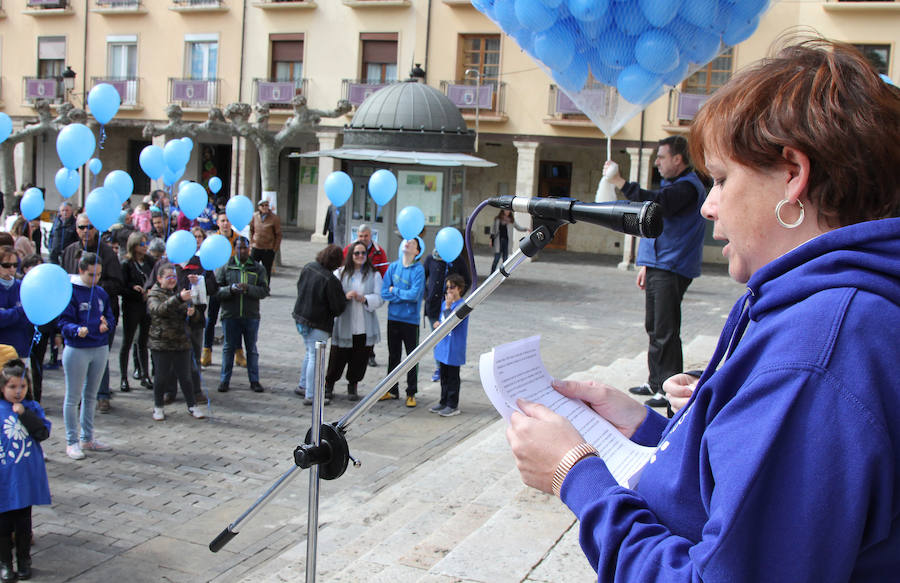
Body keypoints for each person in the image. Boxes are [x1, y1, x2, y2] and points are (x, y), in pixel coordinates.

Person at [505, 40, 900, 581]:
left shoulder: (817, 356)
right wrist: (648, 429)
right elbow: (737, 492)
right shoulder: (824, 312)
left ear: (792, 176)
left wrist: (575, 474)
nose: (708, 204)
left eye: (720, 179)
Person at [605, 135, 708, 409]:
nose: (657, 163)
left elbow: (654, 203)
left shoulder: (686, 188)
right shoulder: (675, 185)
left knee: (666, 329)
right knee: (654, 326)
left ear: (678, 158)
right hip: (659, 265)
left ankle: (669, 387)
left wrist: (620, 183)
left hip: (672, 267)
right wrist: (646, 264)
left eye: (661, 157)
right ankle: (656, 381)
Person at [62, 214, 123, 414]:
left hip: (101, 313)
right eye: (81, 227)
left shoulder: (106, 252)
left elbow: (117, 283)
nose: (86, 231)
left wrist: (92, 285)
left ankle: (102, 394)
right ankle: (77, 396)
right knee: (78, 358)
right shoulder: (70, 251)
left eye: (89, 227)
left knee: (100, 355)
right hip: (75, 316)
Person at [58, 252, 115, 460]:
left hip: (99, 347)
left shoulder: (101, 293)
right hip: (77, 349)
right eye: (92, 274)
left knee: (91, 395)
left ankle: (87, 437)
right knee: (73, 397)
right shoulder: (71, 292)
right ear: (81, 271)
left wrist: (106, 325)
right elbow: (63, 322)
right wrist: (76, 329)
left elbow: (109, 316)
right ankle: (71, 441)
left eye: (99, 274)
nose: (96, 279)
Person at [0, 359, 50, 582]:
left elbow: (42, 433)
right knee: (3, 525)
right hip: (3, 478)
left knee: (23, 523)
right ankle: (4, 562)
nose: (18, 392)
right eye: (12, 387)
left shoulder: (32, 408)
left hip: (24, 478)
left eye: (22, 386)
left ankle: (24, 560)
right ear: (2, 387)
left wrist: (24, 414)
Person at [146, 263, 206, 421]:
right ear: (159, 279)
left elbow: (197, 317)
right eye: (168, 277)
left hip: (181, 341)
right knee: (161, 377)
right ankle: (158, 407)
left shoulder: (181, 293)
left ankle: (192, 405)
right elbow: (159, 310)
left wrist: (193, 313)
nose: (172, 280)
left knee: (186, 377)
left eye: (174, 277)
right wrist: (178, 298)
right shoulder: (154, 294)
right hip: (161, 342)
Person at [324, 241, 382, 402]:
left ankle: (353, 384)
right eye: (357, 253)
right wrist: (345, 297)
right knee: (337, 356)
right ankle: (329, 384)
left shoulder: (373, 274)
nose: (360, 256)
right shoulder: (340, 273)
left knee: (360, 357)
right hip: (344, 323)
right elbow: (333, 296)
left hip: (364, 324)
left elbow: (379, 298)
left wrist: (365, 298)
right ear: (351, 255)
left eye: (363, 253)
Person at [292, 244, 347, 405]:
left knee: (309, 354)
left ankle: (303, 385)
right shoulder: (330, 280)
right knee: (315, 358)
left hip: (300, 317)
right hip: (318, 323)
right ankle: (312, 394)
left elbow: (299, 286)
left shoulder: (308, 267)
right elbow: (337, 307)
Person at [215, 237, 268, 393]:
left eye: (245, 248)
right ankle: (224, 380)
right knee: (228, 348)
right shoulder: (226, 267)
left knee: (251, 349)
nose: (242, 251)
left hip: (250, 315)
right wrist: (230, 290)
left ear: (249, 249)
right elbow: (216, 291)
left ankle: (254, 380)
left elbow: (264, 291)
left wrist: (248, 289)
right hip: (230, 314)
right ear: (235, 249)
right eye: (239, 248)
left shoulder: (258, 268)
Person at [380, 237, 425, 407]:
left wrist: (395, 291)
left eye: (412, 243)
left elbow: (414, 295)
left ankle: (411, 392)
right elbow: (385, 292)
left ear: (417, 251)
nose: (408, 243)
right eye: (407, 241)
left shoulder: (418, 270)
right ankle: (391, 389)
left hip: (410, 320)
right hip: (393, 318)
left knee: (412, 357)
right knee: (393, 356)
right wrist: (400, 295)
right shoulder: (393, 267)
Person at [422, 244, 471, 382]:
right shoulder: (431, 258)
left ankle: (451, 369)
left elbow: (467, 280)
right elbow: (423, 278)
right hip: (434, 306)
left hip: (451, 306)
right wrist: (427, 296)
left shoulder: (457, 259)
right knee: (437, 339)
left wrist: (457, 297)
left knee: (451, 337)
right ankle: (440, 368)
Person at [345, 224, 389, 367]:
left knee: (368, 325)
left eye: (366, 236)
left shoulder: (378, 251)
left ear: (371, 236)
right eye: (360, 236)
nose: (363, 239)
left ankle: (370, 353)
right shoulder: (349, 249)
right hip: (351, 291)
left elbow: (384, 271)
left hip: (369, 293)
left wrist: (380, 288)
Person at [201, 213, 241, 367]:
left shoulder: (238, 239)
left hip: (232, 285)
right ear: (217, 223)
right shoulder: (212, 240)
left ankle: (238, 352)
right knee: (211, 319)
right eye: (222, 221)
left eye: (228, 220)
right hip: (216, 285)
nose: (225, 223)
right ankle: (207, 350)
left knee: (235, 319)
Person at [119, 231, 155, 393]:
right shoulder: (126, 263)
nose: (145, 246)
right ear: (134, 246)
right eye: (142, 244)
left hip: (146, 305)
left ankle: (145, 374)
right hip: (132, 305)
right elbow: (121, 287)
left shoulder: (149, 261)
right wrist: (133, 289)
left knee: (143, 341)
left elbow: (155, 278)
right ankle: (123, 378)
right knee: (127, 341)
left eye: (145, 243)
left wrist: (150, 290)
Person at [429, 273, 469, 417]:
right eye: (447, 288)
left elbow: (452, 322)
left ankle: (452, 404)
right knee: (444, 375)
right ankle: (443, 401)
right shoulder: (445, 303)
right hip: (444, 345)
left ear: (459, 288)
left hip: (454, 347)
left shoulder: (463, 305)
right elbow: (443, 321)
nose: (449, 291)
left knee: (453, 377)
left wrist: (447, 307)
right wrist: (438, 323)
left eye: (452, 287)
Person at [0, 248, 30, 362]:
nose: (12, 269)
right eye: (6, 265)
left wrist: (9, 314)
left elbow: (28, 318)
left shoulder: (23, 287)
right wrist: (19, 311)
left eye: (15, 264)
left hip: (21, 347)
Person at [249, 198, 282, 284]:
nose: (264, 207)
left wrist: (275, 248)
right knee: (252, 267)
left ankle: (266, 287)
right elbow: (251, 230)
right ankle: (252, 284)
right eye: (262, 205)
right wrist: (251, 242)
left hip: (268, 248)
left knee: (267, 270)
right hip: (256, 247)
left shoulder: (274, 218)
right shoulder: (255, 216)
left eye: (266, 205)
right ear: (259, 207)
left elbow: (278, 234)